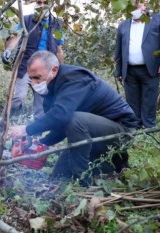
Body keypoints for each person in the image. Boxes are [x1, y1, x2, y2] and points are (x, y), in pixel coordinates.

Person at [10, 50, 138, 186]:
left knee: (74, 120)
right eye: (32, 79)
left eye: (37, 77)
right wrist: (42, 143)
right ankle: (109, 168)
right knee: (59, 177)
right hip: (92, 133)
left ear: (53, 70)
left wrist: (27, 129)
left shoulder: (74, 78)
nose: (35, 83)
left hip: (122, 130)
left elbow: (62, 115)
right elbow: (60, 126)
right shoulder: (51, 89)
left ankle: (84, 182)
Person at [0, 0, 64, 142]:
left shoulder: (56, 24)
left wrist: (61, 70)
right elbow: (16, 37)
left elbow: (59, 50)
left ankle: (36, 136)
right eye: (39, 2)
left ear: (51, 4)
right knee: (17, 98)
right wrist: (8, 50)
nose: (42, 5)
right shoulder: (26, 20)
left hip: (45, 72)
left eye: (45, 2)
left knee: (40, 106)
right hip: (25, 66)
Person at [114, 2, 160, 128]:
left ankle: (148, 133)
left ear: (145, 5)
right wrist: (118, 71)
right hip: (129, 71)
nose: (136, 7)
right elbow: (119, 50)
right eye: (133, 5)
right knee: (131, 104)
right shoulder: (123, 25)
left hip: (151, 69)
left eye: (139, 4)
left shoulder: (159, 18)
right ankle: (134, 133)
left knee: (149, 103)